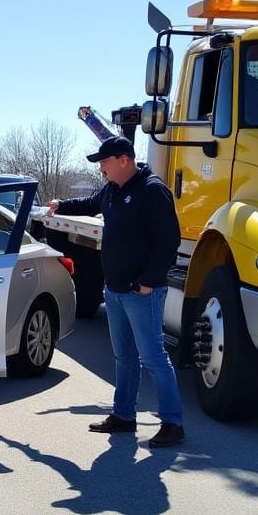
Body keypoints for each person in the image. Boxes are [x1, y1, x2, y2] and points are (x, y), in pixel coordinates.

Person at [48, 135, 185, 448]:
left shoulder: (152, 191)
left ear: (124, 160)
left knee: (153, 358)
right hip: (115, 290)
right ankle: (124, 416)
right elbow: (89, 203)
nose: (101, 169)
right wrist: (61, 204)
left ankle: (173, 423)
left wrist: (148, 281)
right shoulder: (112, 190)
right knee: (125, 357)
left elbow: (168, 242)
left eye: (104, 163)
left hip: (142, 294)